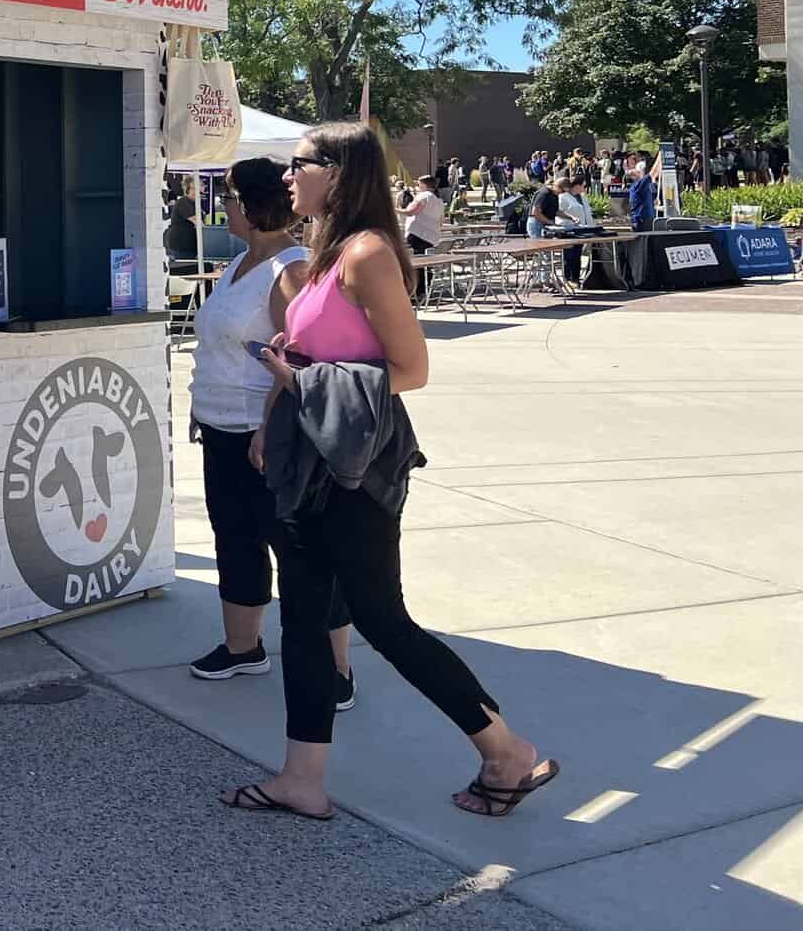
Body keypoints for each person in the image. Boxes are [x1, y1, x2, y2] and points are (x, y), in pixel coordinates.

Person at [222, 122, 558, 822]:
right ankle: (302, 779)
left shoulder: (369, 253)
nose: (286, 177)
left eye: (300, 164)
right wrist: (274, 413)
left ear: (338, 172)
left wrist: (302, 382)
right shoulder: (328, 251)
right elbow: (315, 353)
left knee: (381, 619)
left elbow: (412, 369)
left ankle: (506, 751)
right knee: (305, 622)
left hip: (357, 468)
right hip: (311, 460)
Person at [187, 159, 356, 701]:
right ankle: (243, 648)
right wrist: (200, 407)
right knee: (235, 538)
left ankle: (336, 670)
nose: (222, 207)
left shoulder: (291, 270)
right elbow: (221, 345)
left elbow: (302, 360)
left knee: (300, 550)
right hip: (220, 428)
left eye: (229, 198)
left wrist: (269, 427)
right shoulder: (239, 262)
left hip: (269, 435)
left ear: (252, 204)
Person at [397, 174, 445, 256]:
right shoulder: (439, 201)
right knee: (427, 260)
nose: (418, 186)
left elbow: (410, 212)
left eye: (418, 184)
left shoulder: (423, 196)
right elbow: (441, 222)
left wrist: (392, 209)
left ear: (423, 184)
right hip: (432, 237)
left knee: (417, 260)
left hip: (417, 234)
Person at [628, 154, 659, 233]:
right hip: (642, 220)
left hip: (645, 219)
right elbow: (653, 173)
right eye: (638, 171)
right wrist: (661, 156)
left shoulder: (642, 186)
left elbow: (655, 174)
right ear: (633, 177)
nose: (642, 172)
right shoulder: (638, 186)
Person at [164, 194, 199, 263]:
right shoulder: (184, 202)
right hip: (182, 246)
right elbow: (197, 221)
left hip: (189, 246)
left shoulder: (194, 203)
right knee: (185, 267)